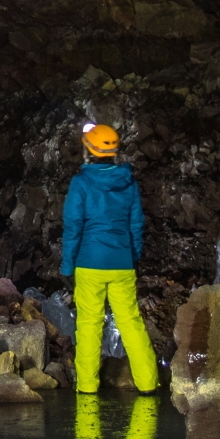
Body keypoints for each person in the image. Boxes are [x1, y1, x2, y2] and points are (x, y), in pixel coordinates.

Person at [60, 122, 158, 395]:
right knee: (130, 321)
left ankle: (88, 386)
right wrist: (133, 257)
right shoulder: (128, 182)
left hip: (89, 263)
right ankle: (148, 383)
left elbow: (73, 227)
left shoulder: (81, 183)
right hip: (121, 263)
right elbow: (136, 225)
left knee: (89, 325)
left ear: (89, 150)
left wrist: (67, 266)